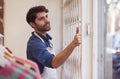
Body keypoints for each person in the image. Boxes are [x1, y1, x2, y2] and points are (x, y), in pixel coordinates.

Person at [26, 5, 81, 79]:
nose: (47, 20)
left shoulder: (46, 39)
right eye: (41, 19)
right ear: (32, 24)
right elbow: (54, 63)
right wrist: (73, 44)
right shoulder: (35, 44)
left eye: (46, 16)